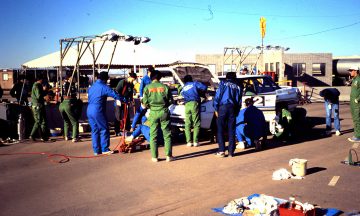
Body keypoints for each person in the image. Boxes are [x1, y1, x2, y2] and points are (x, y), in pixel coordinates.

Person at [87, 71, 124, 155]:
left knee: (95, 130)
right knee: (104, 129)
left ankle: (96, 150)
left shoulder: (92, 87)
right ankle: (104, 149)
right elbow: (114, 94)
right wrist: (122, 100)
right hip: (97, 110)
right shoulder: (103, 86)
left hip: (89, 110)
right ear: (105, 79)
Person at [142, 70, 174, 162]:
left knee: (153, 135)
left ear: (151, 77)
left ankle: (154, 157)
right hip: (164, 112)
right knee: (167, 134)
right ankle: (169, 156)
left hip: (153, 112)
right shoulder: (165, 87)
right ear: (160, 78)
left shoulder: (147, 88)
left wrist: (151, 106)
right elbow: (171, 101)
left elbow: (144, 103)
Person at [213, 72, 242, 157]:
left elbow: (217, 96)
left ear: (226, 77)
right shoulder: (238, 86)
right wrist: (237, 111)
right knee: (232, 130)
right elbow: (239, 101)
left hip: (223, 107)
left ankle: (221, 151)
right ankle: (231, 152)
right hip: (233, 108)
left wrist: (215, 108)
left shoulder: (223, 83)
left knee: (220, 129)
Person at [180, 75, 207, 147]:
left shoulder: (183, 87)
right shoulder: (195, 83)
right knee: (196, 122)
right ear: (191, 79)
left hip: (186, 105)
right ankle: (195, 141)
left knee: (187, 123)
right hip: (194, 103)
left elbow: (181, 94)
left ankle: (188, 142)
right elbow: (204, 87)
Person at [29, 75, 52, 142]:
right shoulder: (37, 85)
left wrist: (44, 91)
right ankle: (32, 135)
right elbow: (38, 96)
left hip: (40, 105)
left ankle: (43, 136)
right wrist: (44, 95)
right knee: (38, 121)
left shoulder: (37, 85)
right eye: (42, 80)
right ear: (40, 80)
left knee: (44, 121)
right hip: (37, 106)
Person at [59, 75, 81, 142]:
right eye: (73, 78)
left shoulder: (65, 84)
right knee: (74, 122)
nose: (74, 79)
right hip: (69, 103)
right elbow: (71, 95)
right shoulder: (68, 85)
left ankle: (66, 136)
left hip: (62, 104)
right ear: (69, 78)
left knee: (66, 121)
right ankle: (74, 137)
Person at [348, 66, 360, 142]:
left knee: (357, 119)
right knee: (355, 119)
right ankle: (357, 134)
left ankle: (358, 136)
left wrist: (358, 99)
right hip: (353, 102)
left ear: (355, 71)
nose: (350, 72)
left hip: (357, 103)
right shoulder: (354, 79)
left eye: (351, 70)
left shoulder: (359, 79)